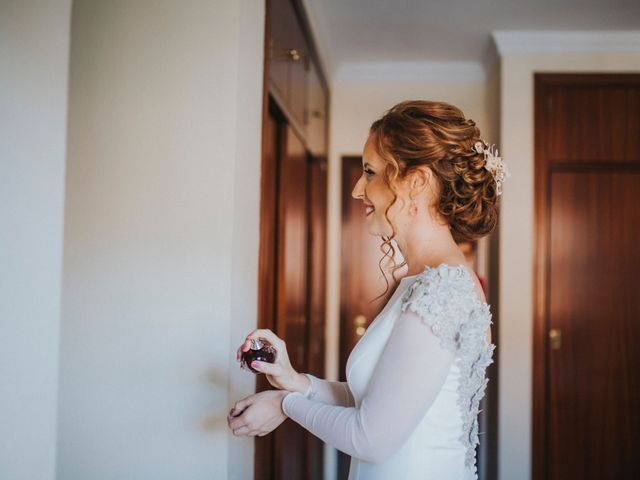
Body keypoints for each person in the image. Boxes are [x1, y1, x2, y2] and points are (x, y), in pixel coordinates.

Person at [227, 100, 506, 479]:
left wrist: (284, 404)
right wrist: (296, 381)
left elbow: (372, 438)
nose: (358, 189)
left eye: (370, 172)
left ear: (417, 182)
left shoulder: (443, 291)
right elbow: (374, 401)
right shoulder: (425, 283)